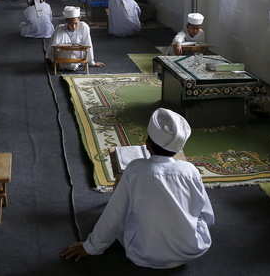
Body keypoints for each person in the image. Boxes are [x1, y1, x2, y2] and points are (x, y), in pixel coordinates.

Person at [60, 108, 214, 268]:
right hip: (188, 251)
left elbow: (114, 214)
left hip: (143, 254)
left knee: (122, 210)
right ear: (178, 148)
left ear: (147, 145)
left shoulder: (135, 170)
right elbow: (207, 215)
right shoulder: (190, 170)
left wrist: (90, 247)